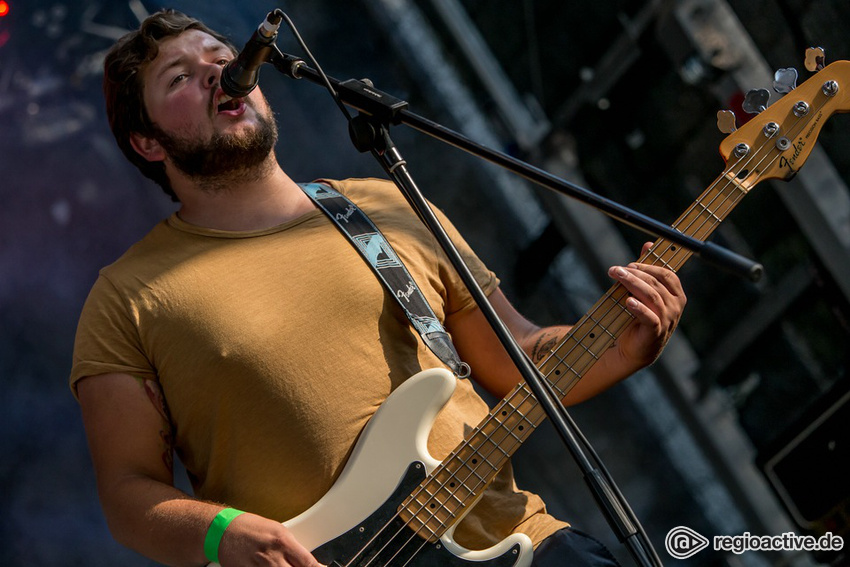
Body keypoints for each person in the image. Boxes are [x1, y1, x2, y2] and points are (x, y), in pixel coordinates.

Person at [70, 9, 686, 567]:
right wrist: (222, 532)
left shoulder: (384, 208)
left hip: (522, 544)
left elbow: (516, 358)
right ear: (148, 142)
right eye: (178, 77)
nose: (214, 74)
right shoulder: (127, 298)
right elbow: (129, 496)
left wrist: (620, 346)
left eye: (220, 58)